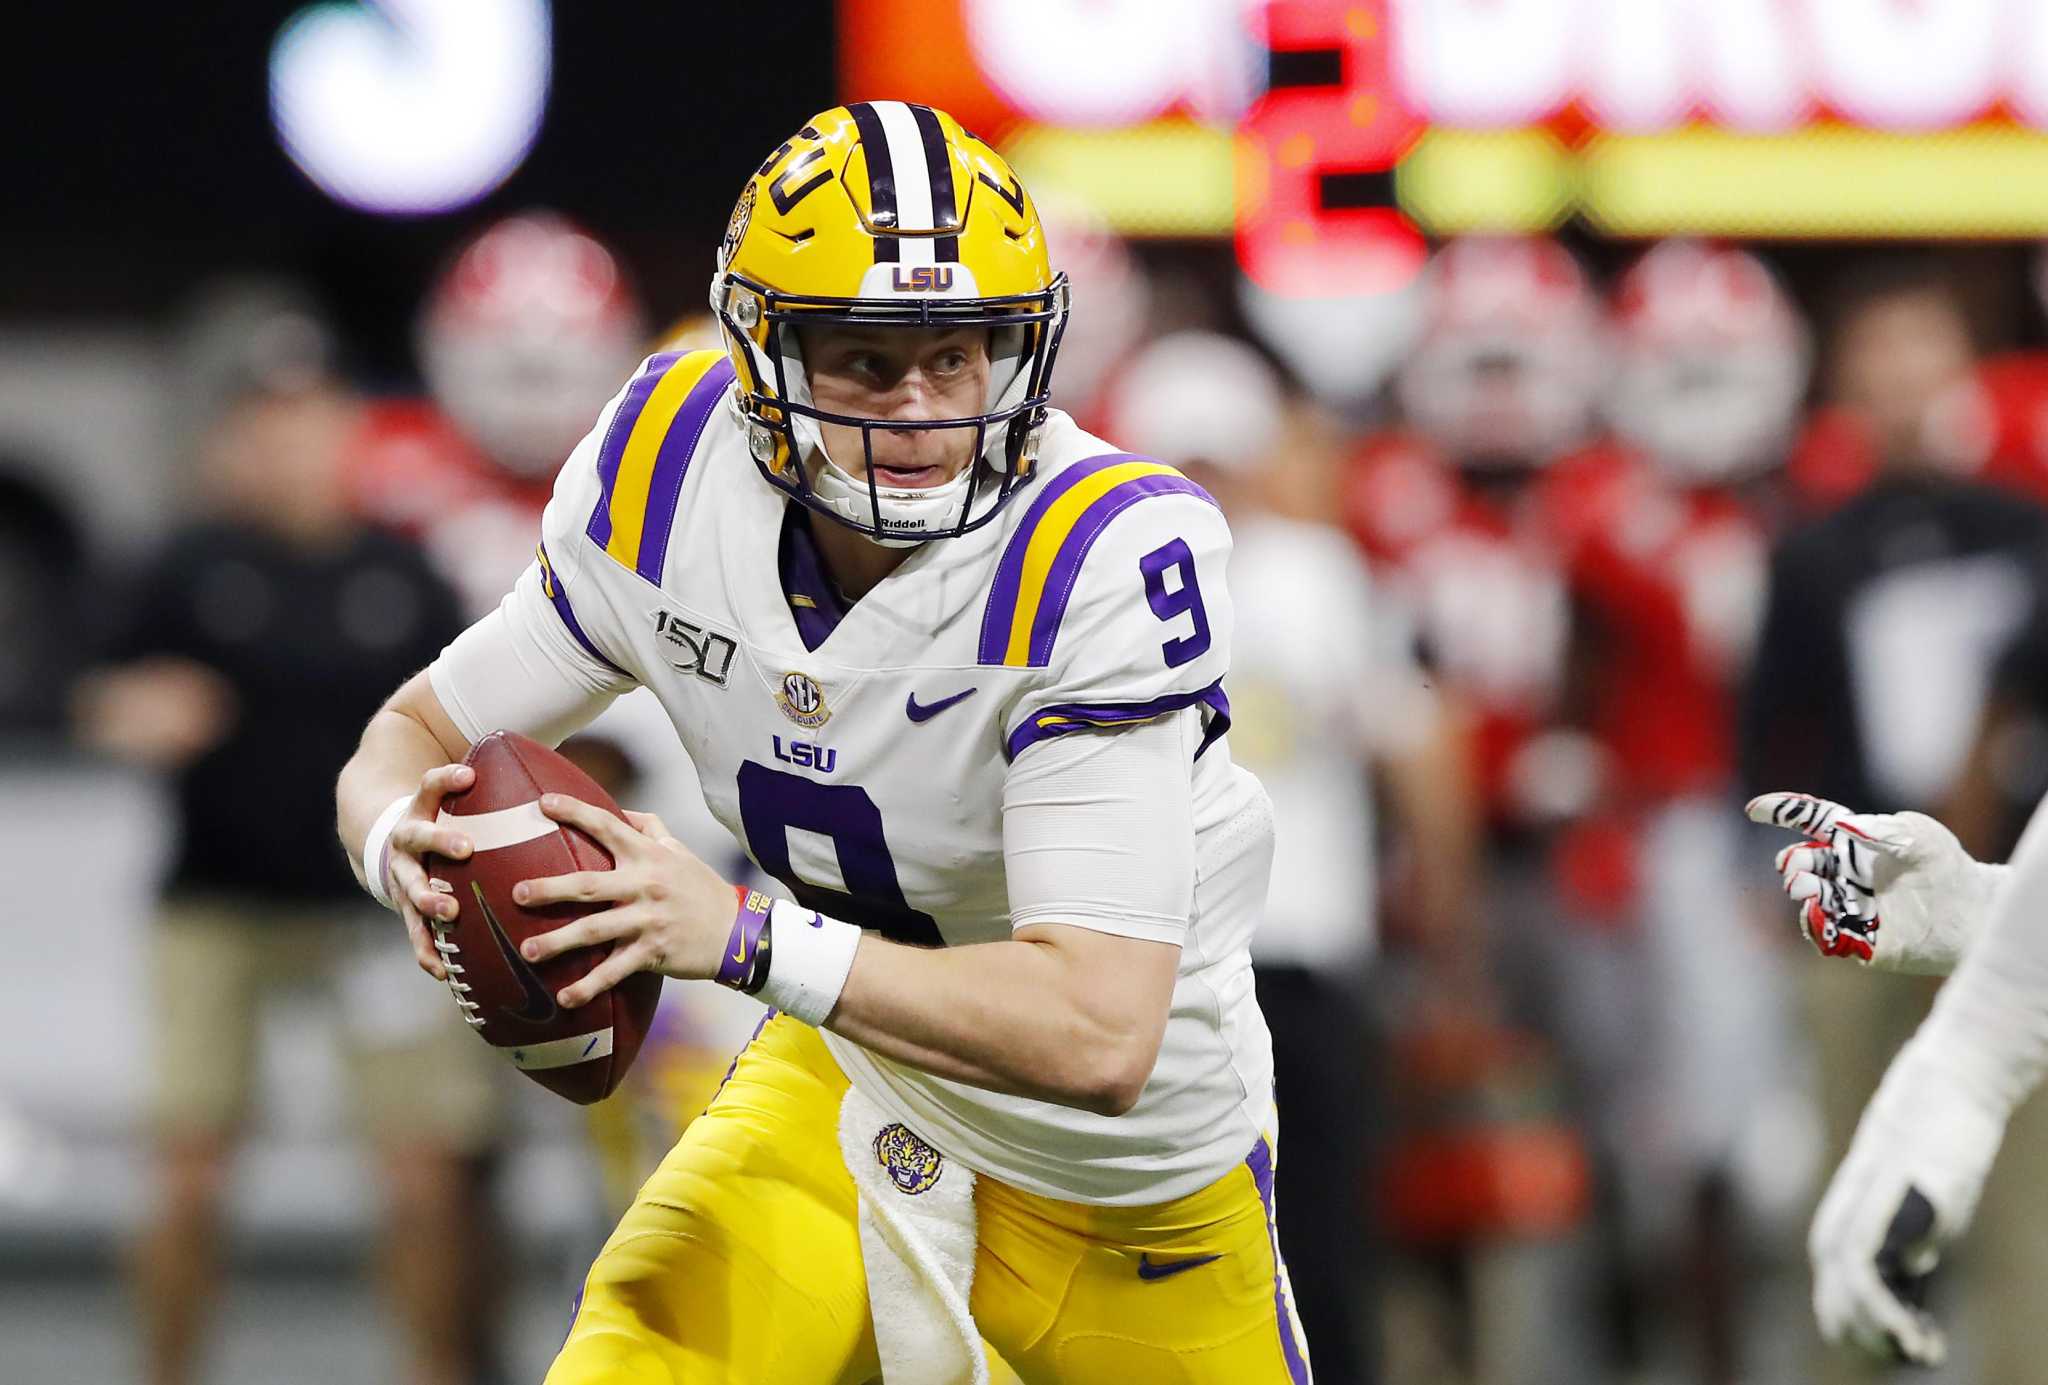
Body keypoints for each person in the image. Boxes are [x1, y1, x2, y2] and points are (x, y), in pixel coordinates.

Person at [336, 103, 1310, 1383]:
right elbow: (408, 737)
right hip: (853, 1089)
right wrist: (406, 844)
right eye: (863, 359)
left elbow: (1095, 1033)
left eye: (958, 356)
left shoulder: (1098, 558)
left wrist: (742, 935)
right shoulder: (670, 469)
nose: (919, 408)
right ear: (763, 358)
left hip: (1132, 1196)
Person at [75, 300, 502, 1385]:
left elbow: (466, 720)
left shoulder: (402, 579)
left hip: (371, 907)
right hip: (218, 898)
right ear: (235, 440)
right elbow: (94, 691)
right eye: (265, 424)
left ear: (351, 429)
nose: (288, 446)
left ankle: (435, 1366)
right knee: (186, 1170)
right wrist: (132, 706)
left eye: (309, 420)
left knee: (422, 1172)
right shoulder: (188, 563)